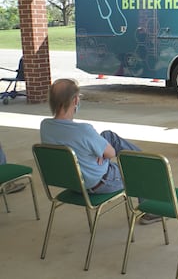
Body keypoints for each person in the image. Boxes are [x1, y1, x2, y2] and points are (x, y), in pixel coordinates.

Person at [39, 78, 160, 225]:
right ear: (75, 100)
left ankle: (147, 162)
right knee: (136, 166)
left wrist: (100, 153)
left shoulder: (45, 126)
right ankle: (151, 200)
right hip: (99, 183)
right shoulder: (83, 130)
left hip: (73, 182)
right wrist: (103, 155)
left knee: (108, 136)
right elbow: (112, 154)